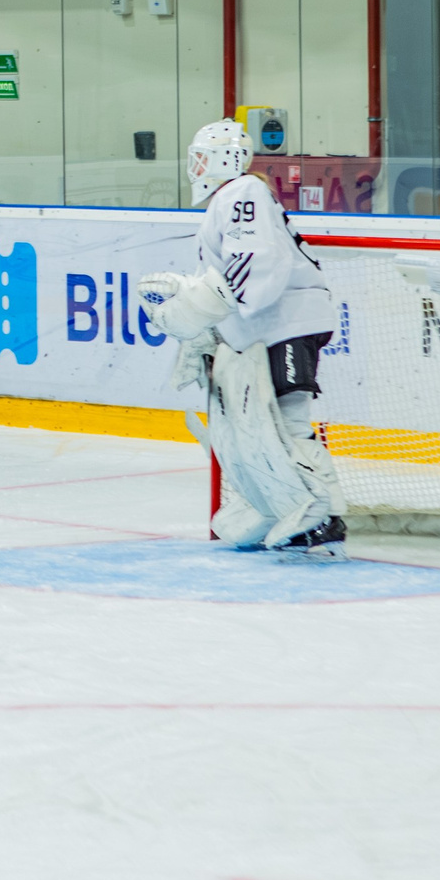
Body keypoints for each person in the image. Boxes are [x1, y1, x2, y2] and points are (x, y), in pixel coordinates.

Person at [137, 118, 346, 555]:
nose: (194, 167)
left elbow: (251, 274)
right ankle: (281, 504)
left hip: (289, 323)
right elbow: (229, 279)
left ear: (221, 159)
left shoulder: (241, 193)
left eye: (200, 158)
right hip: (266, 327)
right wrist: (204, 331)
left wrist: (192, 307)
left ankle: (321, 514)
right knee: (252, 428)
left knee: (287, 423)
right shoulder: (229, 200)